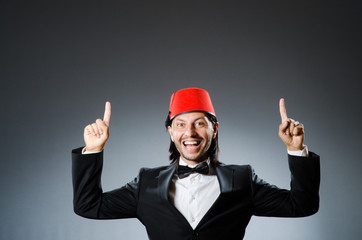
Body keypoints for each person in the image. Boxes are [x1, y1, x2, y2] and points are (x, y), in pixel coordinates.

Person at [72, 88, 320, 240]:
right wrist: (93, 150)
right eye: (180, 124)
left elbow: (302, 205)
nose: (190, 132)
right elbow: (88, 206)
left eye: (200, 123)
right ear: (171, 132)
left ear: (215, 129)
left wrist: (295, 149)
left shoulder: (243, 179)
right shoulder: (147, 184)